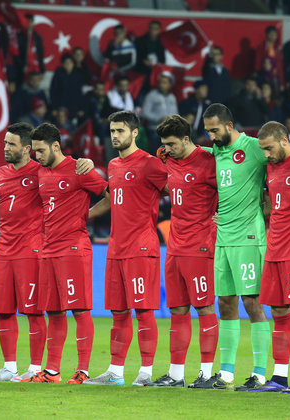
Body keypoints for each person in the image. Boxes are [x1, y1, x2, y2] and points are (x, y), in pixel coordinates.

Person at [0, 122, 94, 382]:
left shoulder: (41, 170)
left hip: (33, 249)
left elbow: (69, 174)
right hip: (4, 250)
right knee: (4, 310)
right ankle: (9, 368)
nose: (5, 147)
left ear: (28, 148)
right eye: (5, 142)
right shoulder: (0, 174)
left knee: (34, 311)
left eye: (11, 144)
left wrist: (88, 163)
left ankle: (34, 367)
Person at [82, 111, 167, 386]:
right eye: (112, 131)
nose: (115, 135)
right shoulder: (113, 165)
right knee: (118, 313)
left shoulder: (151, 164)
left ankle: (145, 373)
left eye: (120, 130)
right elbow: (112, 201)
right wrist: (81, 216)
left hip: (141, 247)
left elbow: (177, 191)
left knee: (143, 311)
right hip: (115, 249)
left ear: (134, 133)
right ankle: (115, 373)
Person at [22, 123, 108, 384]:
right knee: (54, 312)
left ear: (56, 146)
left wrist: (86, 215)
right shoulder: (41, 172)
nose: (37, 156)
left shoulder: (78, 169)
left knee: (79, 310)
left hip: (73, 249)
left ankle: (83, 370)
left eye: (40, 150)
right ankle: (52, 372)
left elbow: (112, 196)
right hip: (48, 250)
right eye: (34, 151)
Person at [202, 103, 270, 390]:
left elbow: (286, 158)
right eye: (207, 132)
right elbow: (192, 153)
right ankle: (226, 373)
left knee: (251, 302)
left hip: (248, 238)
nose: (211, 137)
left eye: (215, 130)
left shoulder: (254, 148)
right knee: (225, 302)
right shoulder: (214, 152)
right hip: (223, 238)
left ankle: (259, 374)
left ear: (229, 126)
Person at [147, 114, 218, 388]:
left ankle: (207, 374)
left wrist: (220, 218)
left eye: (173, 143)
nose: (168, 148)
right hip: (174, 247)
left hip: (200, 246)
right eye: (164, 144)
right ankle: (176, 375)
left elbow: (230, 191)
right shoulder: (167, 159)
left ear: (187, 139)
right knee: (177, 309)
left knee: (204, 308)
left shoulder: (208, 162)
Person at [248, 122, 290, 393]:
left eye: (269, 148)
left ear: (285, 140)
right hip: (274, 247)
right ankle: (279, 377)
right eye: (262, 149)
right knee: (278, 311)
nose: (265, 154)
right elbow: (274, 205)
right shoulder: (271, 168)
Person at [49, 53, 84, 121]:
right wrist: (54, 108)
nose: (68, 65)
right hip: (61, 108)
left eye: (70, 63)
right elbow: (53, 92)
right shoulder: (58, 75)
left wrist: (81, 108)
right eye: (66, 63)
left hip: (74, 108)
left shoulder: (77, 76)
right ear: (62, 64)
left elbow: (80, 93)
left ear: (73, 64)